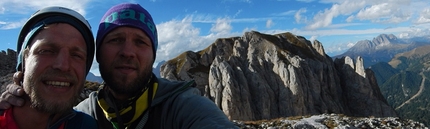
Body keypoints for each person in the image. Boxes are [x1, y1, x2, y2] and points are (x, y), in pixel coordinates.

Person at [1, 3, 238, 129]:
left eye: (140, 42)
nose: (127, 51)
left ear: (153, 56)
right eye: (115, 40)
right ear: (99, 55)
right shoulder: (82, 117)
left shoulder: (184, 108)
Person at [0, 6, 97, 129]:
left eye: (76, 55)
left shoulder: (86, 125)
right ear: (24, 60)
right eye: (47, 51)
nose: (63, 65)